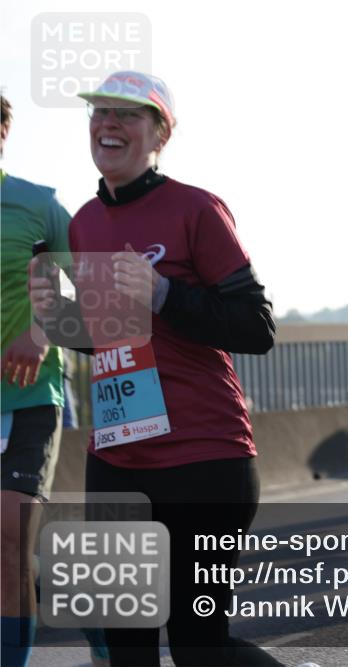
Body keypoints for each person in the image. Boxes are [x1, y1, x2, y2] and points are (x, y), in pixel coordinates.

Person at [29, 72, 286, 666]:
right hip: (117, 459)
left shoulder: (196, 208)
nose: (108, 124)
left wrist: (165, 293)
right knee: (127, 644)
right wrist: (61, 318)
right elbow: (111, 341)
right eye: (100, 113)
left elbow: (256, 327)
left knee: (200, 646)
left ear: (160, 133)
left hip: (203, 457)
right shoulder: (85, 222)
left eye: (128, 115)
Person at [1, 93, 73, 667]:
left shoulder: (38, 204)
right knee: (13, 553)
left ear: (4, 132)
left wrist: (41, 332)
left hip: (30, 393)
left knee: (7, 539)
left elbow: (92, 286)